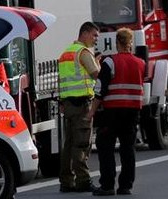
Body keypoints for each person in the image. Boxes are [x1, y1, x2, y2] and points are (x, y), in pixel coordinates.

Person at [89, 28, 145, 196]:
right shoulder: (140, 63)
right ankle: (126, 185)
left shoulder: (110, 62)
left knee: (105, 147)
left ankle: (107, 185)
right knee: (128, 148)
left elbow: (100, 90)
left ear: (116, 43)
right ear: (130, 43)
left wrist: (91, 112)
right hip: (133, 111)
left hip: (112, 112)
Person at [58, 22, 100, 193]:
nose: (96, 39)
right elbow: (96, 74)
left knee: (69, 145)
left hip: (68, 104)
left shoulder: (66, 52)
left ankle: (66, 181)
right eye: (94, 35)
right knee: (81, 144)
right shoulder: (83, 53)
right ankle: (83, 180)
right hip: (82, 104)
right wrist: (97, 63)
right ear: (84, 33)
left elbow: (63, 80)